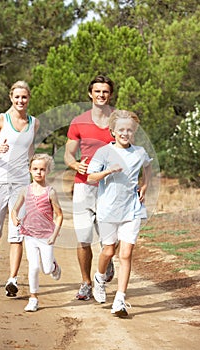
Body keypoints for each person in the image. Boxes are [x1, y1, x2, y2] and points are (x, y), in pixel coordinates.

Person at [87, 109, 152, 317]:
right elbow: (90, 178)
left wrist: (145, 185)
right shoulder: (104, 152)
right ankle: (99, 277)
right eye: (121, 130)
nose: (126, 133)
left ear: (134, 132)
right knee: (108, 251)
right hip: (108, 210)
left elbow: (148, 167)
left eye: (130, 130)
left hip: (132, 209)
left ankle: (120, 300)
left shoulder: (139, 152)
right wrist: (108, 171)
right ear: (113, 131)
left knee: (126, 254)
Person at [0, 80, 40, 297]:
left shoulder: (34, 123)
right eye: (17, 97)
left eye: (24, 97)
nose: (20, 101)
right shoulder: (1, 119)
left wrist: (36, 172)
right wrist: (0, 148)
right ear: (11, 97)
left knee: (17, 232)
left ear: (29, 98)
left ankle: (12, 279)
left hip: (20, 184)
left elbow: (30, 150)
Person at [64, 75, 116, 301]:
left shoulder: (118, 120)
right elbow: (68, 153)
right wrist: (75, 164)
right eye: (97, 91)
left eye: (105, 92)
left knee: (108, 237)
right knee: (84, 237)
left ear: (110, 94)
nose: (101, 95)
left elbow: (129, 149)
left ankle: (106, 260)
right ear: (90, 94)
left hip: (110, 187)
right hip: (84, 186)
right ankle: (86, 283)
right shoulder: (79, 121)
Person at [11, 153, 63, 312]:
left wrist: (54, 235)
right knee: (33, 267)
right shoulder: (24, 191)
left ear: (47, 171)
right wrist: (14, 218)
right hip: (29, 235)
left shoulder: (50, 192)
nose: (38, 172)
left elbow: (60, 215)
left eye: (42, 169)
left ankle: (53, 266)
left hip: (46, 237)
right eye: (35, 169)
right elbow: (15, 209)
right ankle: (33, 298)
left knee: (46, 269)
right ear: (30, 170)